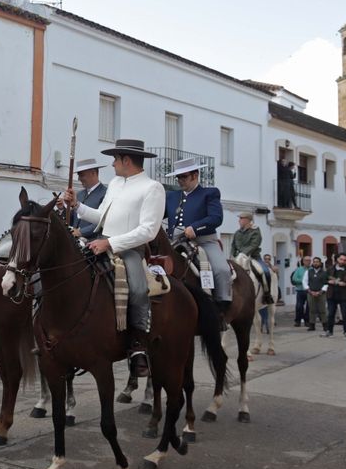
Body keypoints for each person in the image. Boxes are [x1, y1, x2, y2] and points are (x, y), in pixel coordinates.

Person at [62, 138, 166, 374]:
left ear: (126, 160)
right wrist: (77, 205)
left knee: (139, 289)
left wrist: (110, 242)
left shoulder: (152, 188)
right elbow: (102, 218)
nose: (112, 165)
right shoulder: (117, 183)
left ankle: (138, 345)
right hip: (100, 241)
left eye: (115, 160)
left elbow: (148, 231)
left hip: (130, 249)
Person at [164, 158, 231, 315]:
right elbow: (158, 215)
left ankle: (221, 306)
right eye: (178, 177)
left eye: (184, 177)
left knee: (221, 269)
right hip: (175, 241)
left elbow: (216, 218)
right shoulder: (172, 196)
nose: (180, 181)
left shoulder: (209, 193)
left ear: (195, 175)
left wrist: (195, 228)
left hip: (204, 242)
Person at [228, 212, 272, 305]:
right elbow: (233, 246)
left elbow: (254, 244)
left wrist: (244, 254)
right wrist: (232, 256)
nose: (239, 220)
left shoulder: (255, 231)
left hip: (253, 257)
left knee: (265, 272)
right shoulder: (237, 233)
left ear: (247, 220)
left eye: (241, 218)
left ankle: (267, 295)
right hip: (238, 258)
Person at [71, 157, 107, 240]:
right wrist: (62, 208)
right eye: (78, 175)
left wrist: (81, 232)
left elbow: (102, 220)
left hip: (93, 244)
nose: (79, 179)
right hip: (74, 242)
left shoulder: (106, 193)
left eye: (82, 175)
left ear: (93, 173)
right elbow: (72, 218)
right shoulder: (79, 194)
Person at [326, 253, 346, 340]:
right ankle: (329, 331)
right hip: (332, 294)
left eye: (344, 260)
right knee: (331, 313)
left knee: (345, 314)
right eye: (341, 259)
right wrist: (329, 282)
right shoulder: (330, 269)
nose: (342, 261)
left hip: (344, 295)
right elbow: (324, 279)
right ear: (337, 259)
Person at [306, 255, 330, 332]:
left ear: (320, 263)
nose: (315, 263)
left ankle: (325, 325)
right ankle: (312, 325)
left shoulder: (324, 272)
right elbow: (305, 282)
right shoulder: (308, 272)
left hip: (321, 293)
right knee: (312, 309)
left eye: (317, 262)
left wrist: (321, 291)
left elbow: (326, 283)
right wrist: (310, 291)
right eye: (314, 262)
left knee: (322, 309)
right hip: (311, 293)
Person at [291, 256, 310, 328]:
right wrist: (303, 281)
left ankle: (307, 321)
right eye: (306, 260)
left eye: (309, 260)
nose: (308, 262)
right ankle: (297, 321)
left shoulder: (311, 269)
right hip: (300, 290)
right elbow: (294, 279)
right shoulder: (299, 269)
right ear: (303, 261)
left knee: (309, 307)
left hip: (309, 291)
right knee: (299, 306)